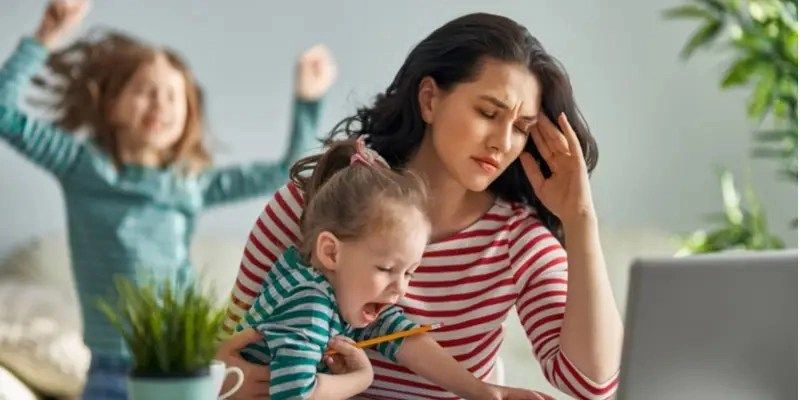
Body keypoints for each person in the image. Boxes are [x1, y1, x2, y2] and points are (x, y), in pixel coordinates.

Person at [217, 12, 622, 400]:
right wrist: (227, 379)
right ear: (429, 99)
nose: (502, 142)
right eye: (488, 112)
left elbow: (592, 386)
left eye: (521, 128)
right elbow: (224, 342)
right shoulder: (317, 202)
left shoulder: (517, 241)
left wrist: (581, 219)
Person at [0, 1, 335, 398]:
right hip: (110, 367)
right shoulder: (80, 166)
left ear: (187, 116)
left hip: (182, 363)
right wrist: (44, 38)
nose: (160, 103)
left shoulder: (189, 184)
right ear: (111, 104)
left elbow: (287, 172)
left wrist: (307, 101)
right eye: (145, 90)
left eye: (173, 96)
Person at [235, 137, 547, 400]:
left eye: (409, 272)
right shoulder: (309, 305)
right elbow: (295, 394)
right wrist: (361, 378)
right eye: (386, 268)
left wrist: (486, 392)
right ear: (331, 252)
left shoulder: (335, 289)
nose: (401, 288)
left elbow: (400, 334)